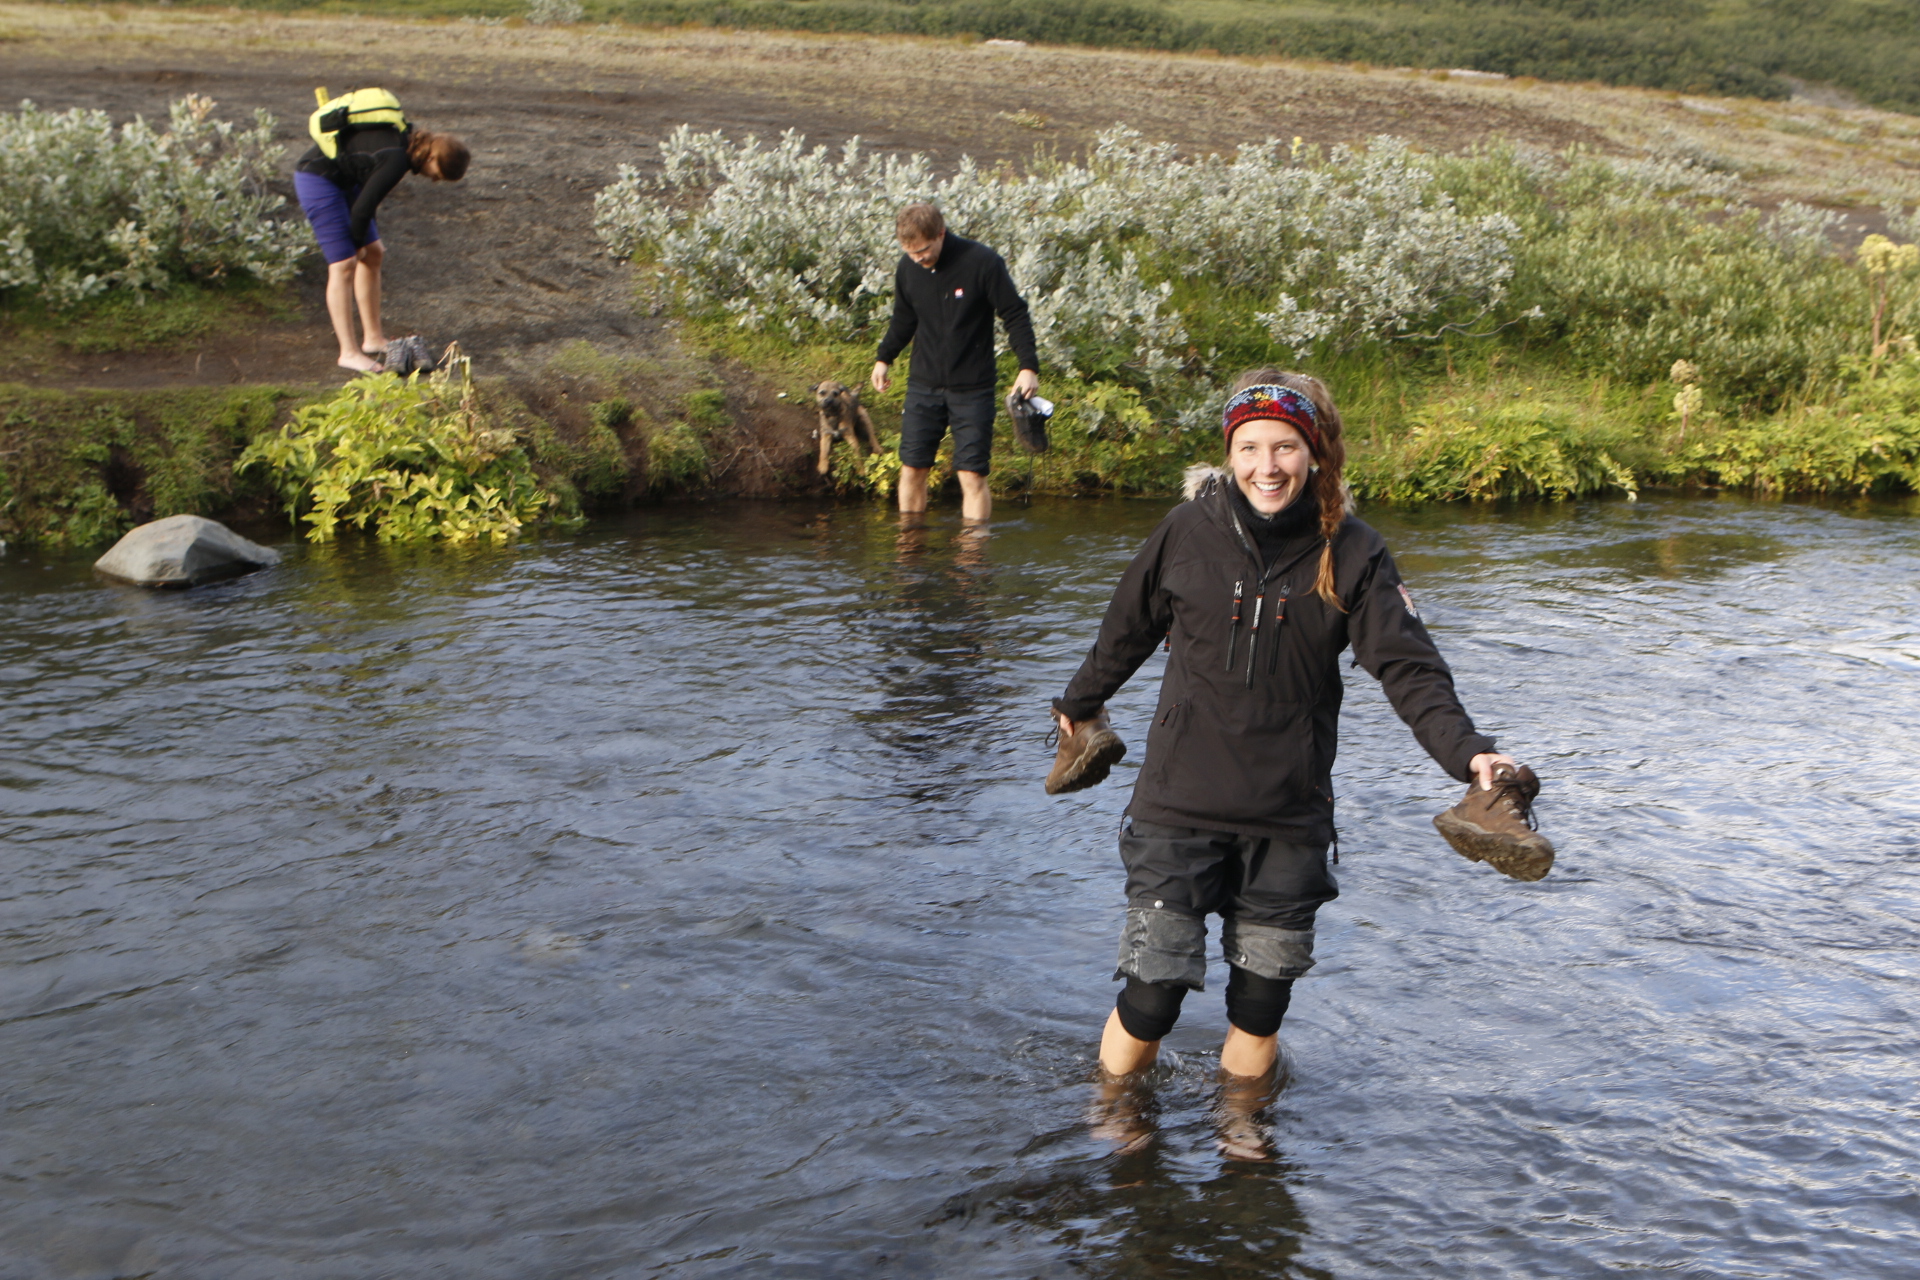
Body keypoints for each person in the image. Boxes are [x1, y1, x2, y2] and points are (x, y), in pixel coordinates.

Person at [1048, 369, 1550, 1111]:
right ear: (1229, 453)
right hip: (1177, 808)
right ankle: (1114, 1123)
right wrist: (1078, 706)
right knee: (1152, 995)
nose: (1267, 466)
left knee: (1259, 1009)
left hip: (1289, 816)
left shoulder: (1355, 552)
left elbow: (1409, 669)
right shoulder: (1186, 531)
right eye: (1249, 447)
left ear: (1313, 452)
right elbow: (1124, 630)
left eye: (1284, 446)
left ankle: (1243, 1138)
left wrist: (1471, 754)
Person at [870, 203, 1039, 523]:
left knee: (972, 475)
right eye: (910, 253)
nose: (918, 259)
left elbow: (1015, 314)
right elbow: (903, 319)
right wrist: (884, 358)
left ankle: (973, 551)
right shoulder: (908, 268)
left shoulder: (982, 262)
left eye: (923, 250)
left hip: (973, 388)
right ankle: (911, 547)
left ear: (941, 234)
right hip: (923, 385)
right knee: (912, 469)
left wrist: (1027, 367)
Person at [292, 91, 470, 373]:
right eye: (438, 174)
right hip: (318, 180)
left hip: (345, 180)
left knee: (374, 253)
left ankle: (373, 338)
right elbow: (363, 209)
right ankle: (348, 353)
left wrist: (362, 241)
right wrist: (355, 244)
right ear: (432, 156)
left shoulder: (407, 140)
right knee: (343, 264)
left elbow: (367, 199)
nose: (435, 180)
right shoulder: (397, 159)